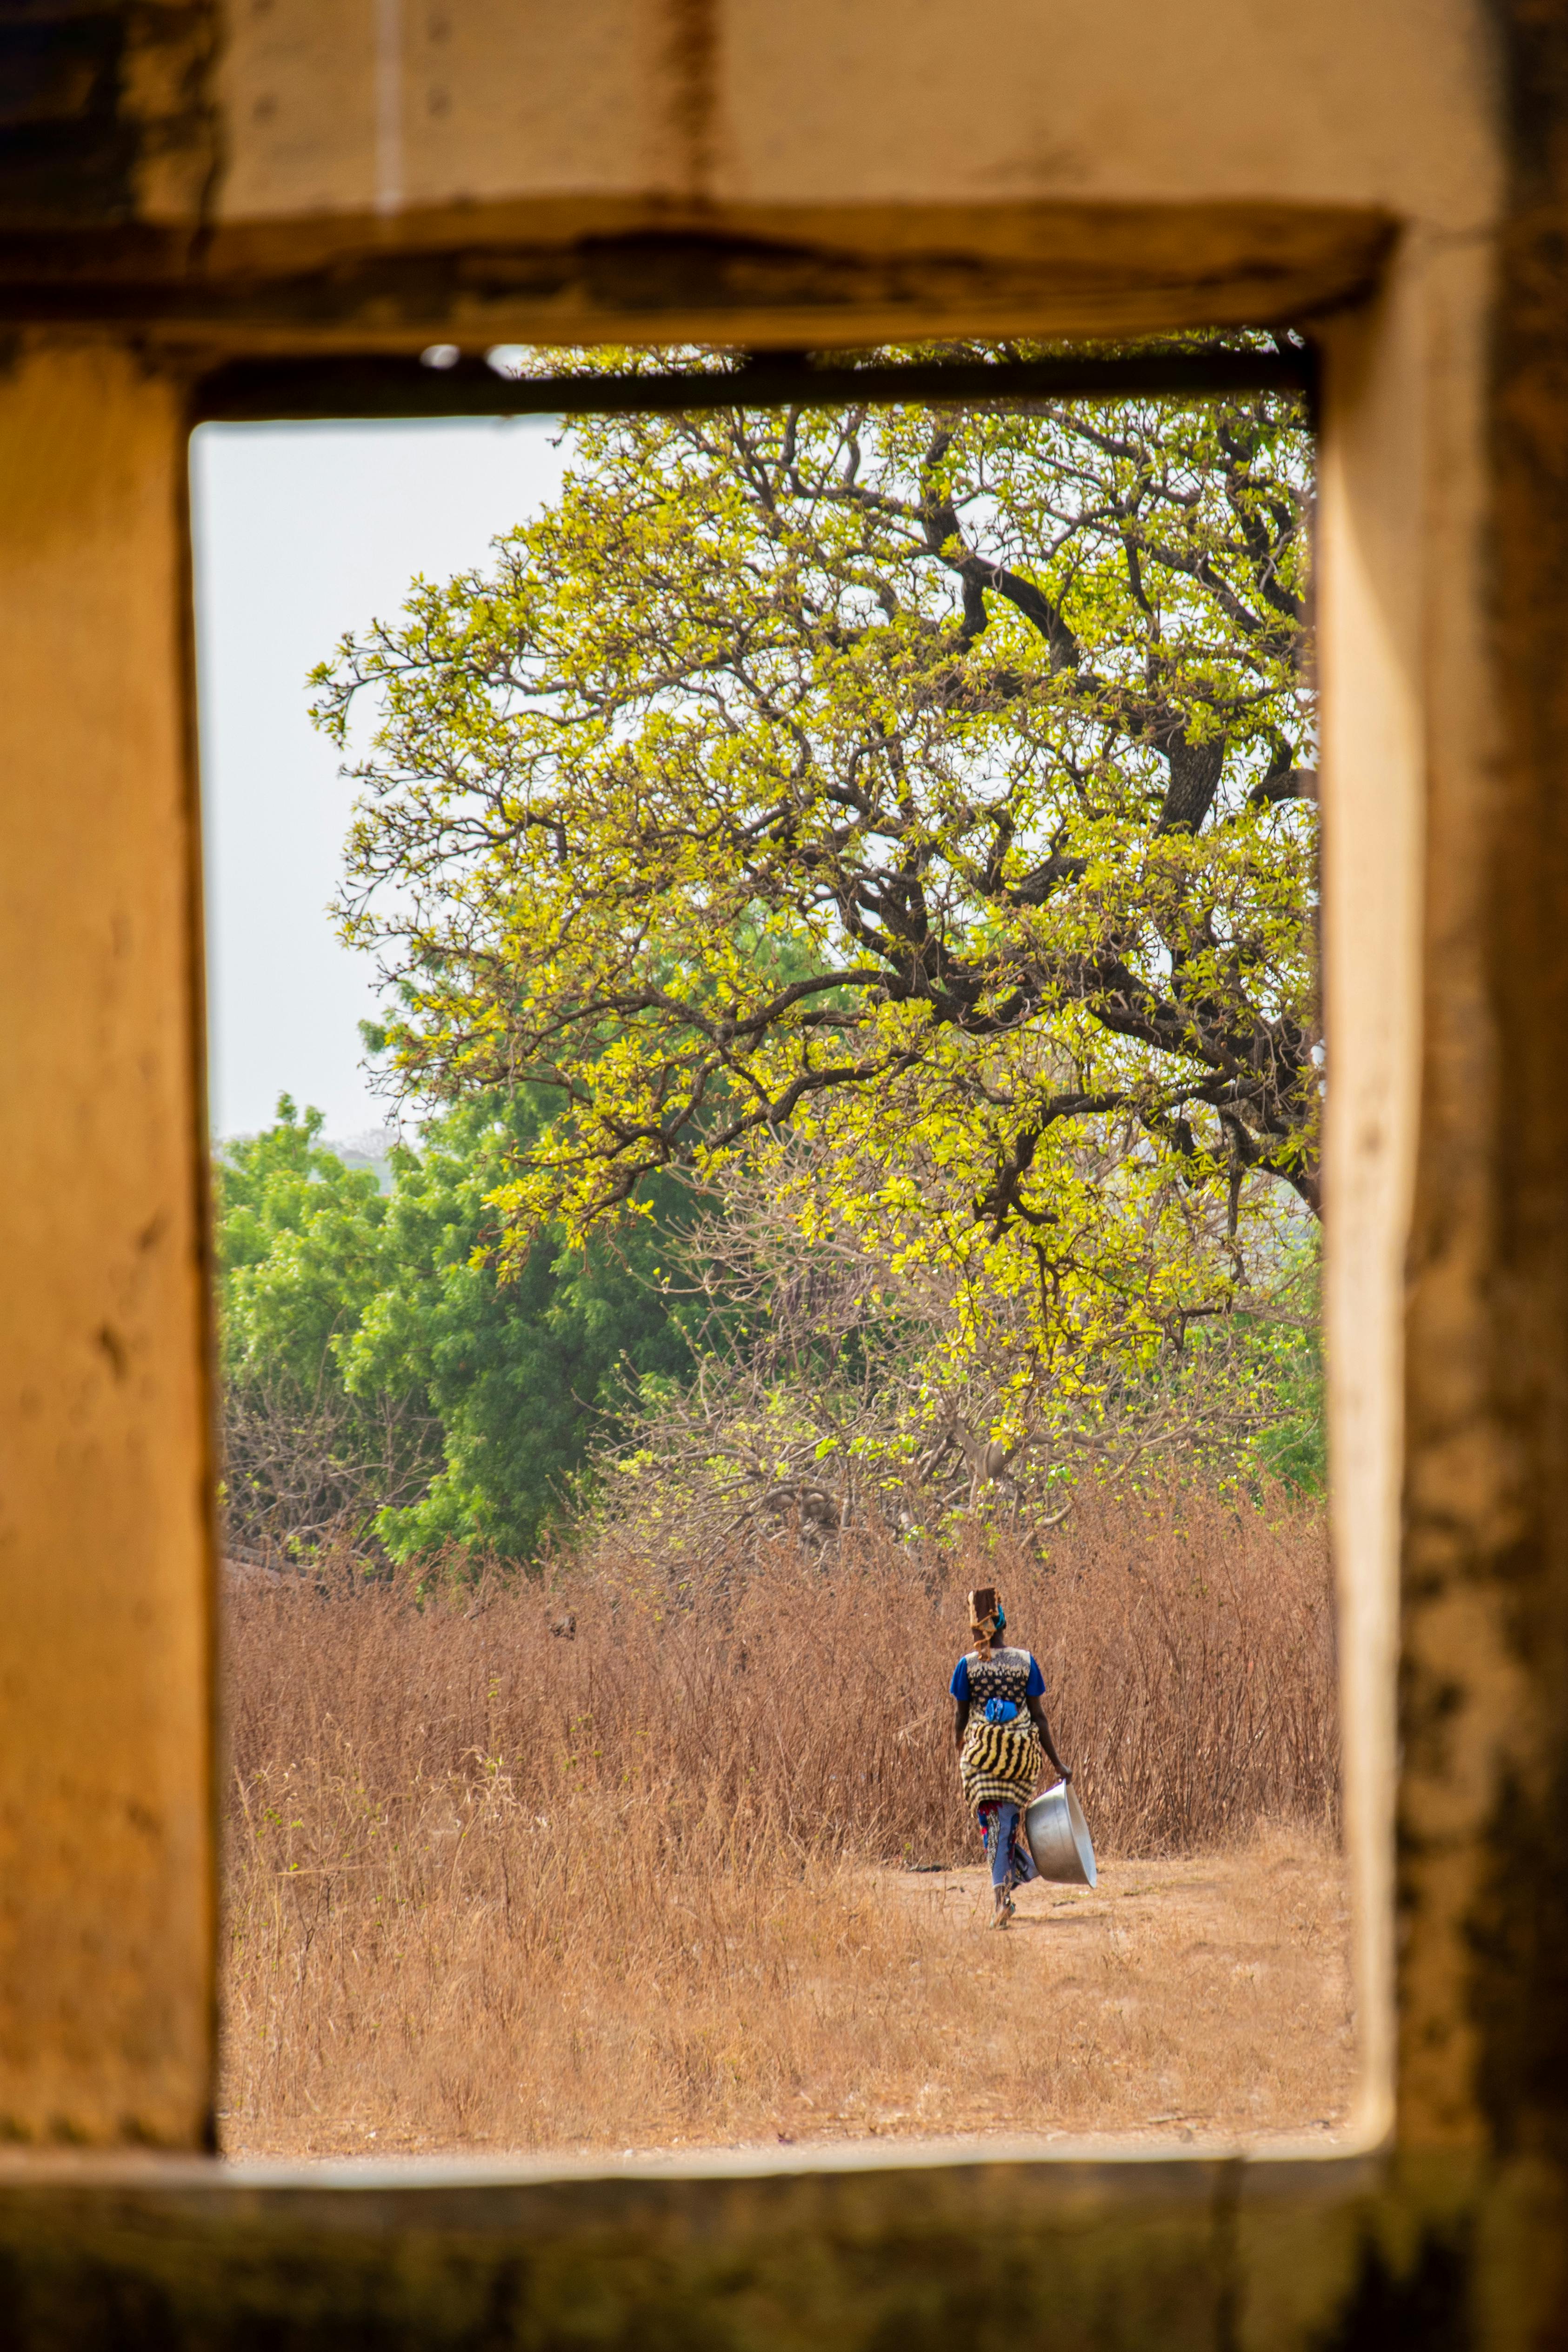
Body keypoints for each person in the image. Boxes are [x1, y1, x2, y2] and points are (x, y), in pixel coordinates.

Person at [951, 1586, 1072, 1927]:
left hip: (981, 1763)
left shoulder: (967, 1665)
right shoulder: (1024, 1661)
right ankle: (1014, 1879)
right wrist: (1057, 1763)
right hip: (1019, 1759)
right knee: (1005, 1826)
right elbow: (1039, 1716)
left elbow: (960, 1718)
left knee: (995, 1829)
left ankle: (1001, 1900)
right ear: (1003, 1623)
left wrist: (961, 1746)